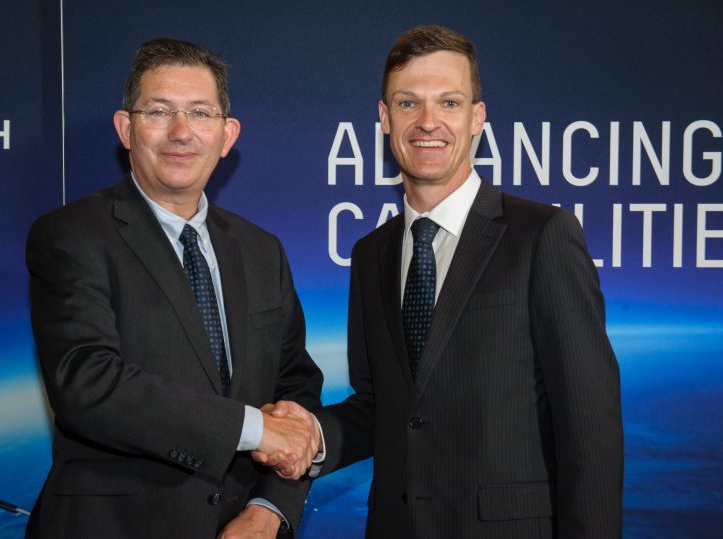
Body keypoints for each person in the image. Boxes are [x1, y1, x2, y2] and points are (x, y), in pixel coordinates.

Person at [263, 25, 623, 538]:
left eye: (449, 103)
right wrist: (309, 435)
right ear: (385, 119)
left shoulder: (542, 235)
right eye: (408, 104)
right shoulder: (370, 254)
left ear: (477, 117)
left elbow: (590, 426)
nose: (428, 122)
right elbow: (381, 407)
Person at [25, 37, 323, 539]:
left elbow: (296, 390)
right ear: (126, 128)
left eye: (201, 113)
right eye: (159, 111)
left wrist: (270, 508)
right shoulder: (71, 234)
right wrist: (254, 428)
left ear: (227, 136)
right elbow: (88, 382)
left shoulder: (261, 250)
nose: (181, 132)